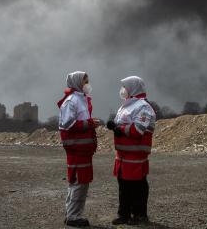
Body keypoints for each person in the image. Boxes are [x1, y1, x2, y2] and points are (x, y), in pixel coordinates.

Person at [106, 76, 156, 226]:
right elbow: (121, 125)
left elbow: (138, 129)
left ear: (133, 88)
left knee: (137, 187)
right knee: (123, 187)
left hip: (136, 155)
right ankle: (124, 214)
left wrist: (119, 129)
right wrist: (114, 125)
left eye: (125, 87)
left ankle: (139, 215)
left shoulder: (143, 107)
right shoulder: (126, 105)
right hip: (122, 155)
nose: (123, 90)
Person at [58, 71, 100, 227]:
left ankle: (71, 214)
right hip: (77, 149)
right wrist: (89, 123)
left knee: (80, 182)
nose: (87, 84)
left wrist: (89, 124)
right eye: (84, 81)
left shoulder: (81, 99)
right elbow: (67, 124)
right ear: (76, 83)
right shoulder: (71, 101)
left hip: (83, 150)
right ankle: (73, 217)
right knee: (79, 182)